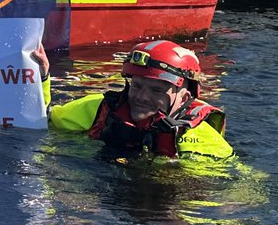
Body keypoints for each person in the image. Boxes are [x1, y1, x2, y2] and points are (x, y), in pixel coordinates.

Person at [48, 39, 232, 160]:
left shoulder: (205, 143)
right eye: (136, 86)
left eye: (156, 90)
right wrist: (40, 77)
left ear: (184, 97)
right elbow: (38, 122)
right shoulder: (97, 109)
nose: (142, 97)